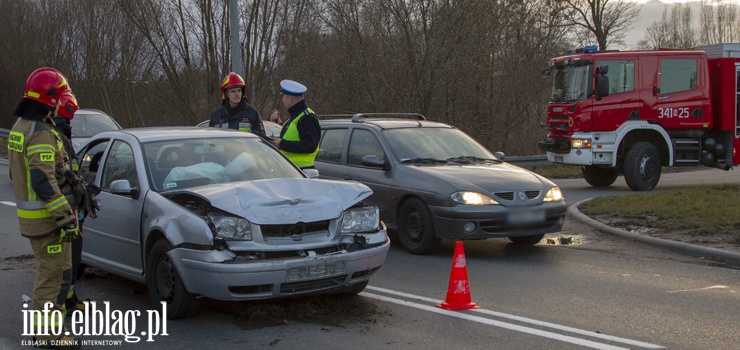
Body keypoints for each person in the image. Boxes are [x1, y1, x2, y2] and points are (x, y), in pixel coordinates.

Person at [9, 68, 81, 349]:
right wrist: (66, 217)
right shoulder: (40, 133)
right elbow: (42, 179)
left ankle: (54, 329)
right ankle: (47, 337)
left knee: (59, 273)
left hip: (37, 219)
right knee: (49, 279)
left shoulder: (21, 126)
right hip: (47, 220)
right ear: (50, 99)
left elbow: (21, 175)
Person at [52, 91, 93, 315]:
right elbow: (64, 176)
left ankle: (70, 298)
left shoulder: (61, 134)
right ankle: (64, 304)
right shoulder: (58, 136)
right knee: (67, 261)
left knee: (72, 260)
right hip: (67, 209)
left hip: (72, 208)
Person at [269, 80, 321, 169]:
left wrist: (281, 144)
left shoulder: (307, 118)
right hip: (293, 169)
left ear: (290, 100)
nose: (282, 100)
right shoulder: (296, 117)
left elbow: (310, 145)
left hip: (303, 170)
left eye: (283, 97)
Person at [208, 72, 266, 138]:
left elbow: (261, 139)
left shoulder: (252, 113)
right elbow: (211, 143)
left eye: (239, 90)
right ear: (226, 94)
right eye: (233, 91)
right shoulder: (217, 115)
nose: (237, 94)